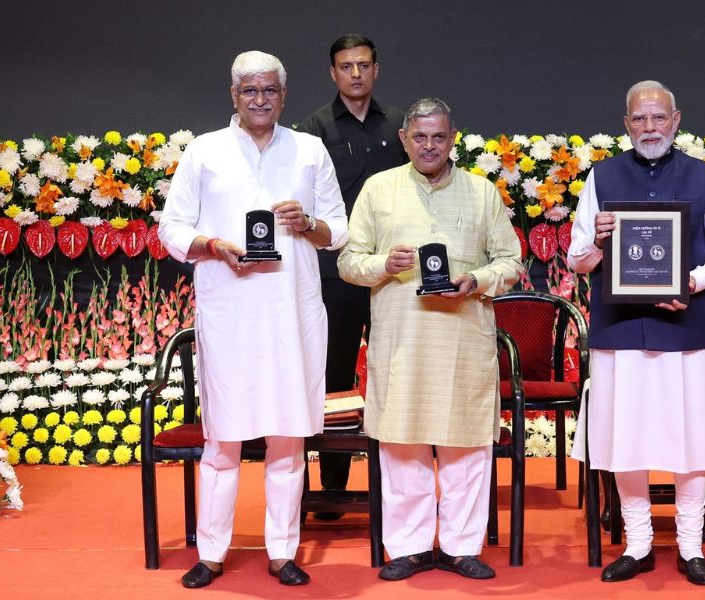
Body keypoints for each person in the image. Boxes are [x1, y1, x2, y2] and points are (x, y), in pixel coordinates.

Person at [158, 50, 348, 589]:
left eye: (269, 91)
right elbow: (172, 230)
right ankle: (212, 551)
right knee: (222, 441)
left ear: (284, 96)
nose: (260, 100)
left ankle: (283, 551)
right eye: (249, 91)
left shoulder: (309, 151)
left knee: (288, 438)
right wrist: (215, 245)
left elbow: (341, 230)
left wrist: (307, 223)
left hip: (293, 315)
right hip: (230, 314)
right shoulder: (204, 151)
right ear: (233, 96)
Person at [567, 80, 705, 586]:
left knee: (690, 438)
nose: (650, 128)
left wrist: (692, 280)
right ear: (625, 124)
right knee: (626, 438)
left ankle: (690, 545)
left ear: (676, 120)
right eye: (639, 119)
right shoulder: (601, 178)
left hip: (684, 329)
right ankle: (639, 543)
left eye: (659, 118)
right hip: (619, 331)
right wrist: (598, 243)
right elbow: (577, 260)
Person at [337, 97, 523, 581]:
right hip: (402, 342)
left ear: (453, 138)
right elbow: (348, 263)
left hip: (463, 340)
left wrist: (477, 281)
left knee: (465, 447)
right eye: (419, 137)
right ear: (404, 140)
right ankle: (410, 547)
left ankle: (462, 547)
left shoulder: (482, 192)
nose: (429, 146)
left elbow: (512, 262)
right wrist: (383, 264)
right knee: (402, 444)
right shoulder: (379, 190)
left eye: (439, 137)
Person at [297, 33, 408, 520]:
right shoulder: (314, 128)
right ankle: (334, 490)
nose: (356, 73)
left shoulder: (402, 125)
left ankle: (401, 485)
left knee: (394, 373)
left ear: (376, 69)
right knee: (336, 375)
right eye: (346, 66)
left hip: (393, 271)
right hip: (335, 271)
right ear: (333, 73)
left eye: (364, 64)